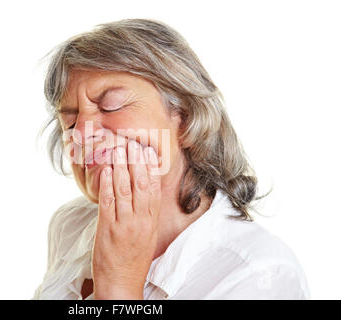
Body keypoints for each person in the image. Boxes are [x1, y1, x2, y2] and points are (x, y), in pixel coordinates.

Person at [32, 18, 310, 299]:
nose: (81, 131)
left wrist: (119, 285)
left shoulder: (262, 274)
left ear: (187, 121)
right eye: (69, 121)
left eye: (111, 105)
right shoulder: (71, 224)